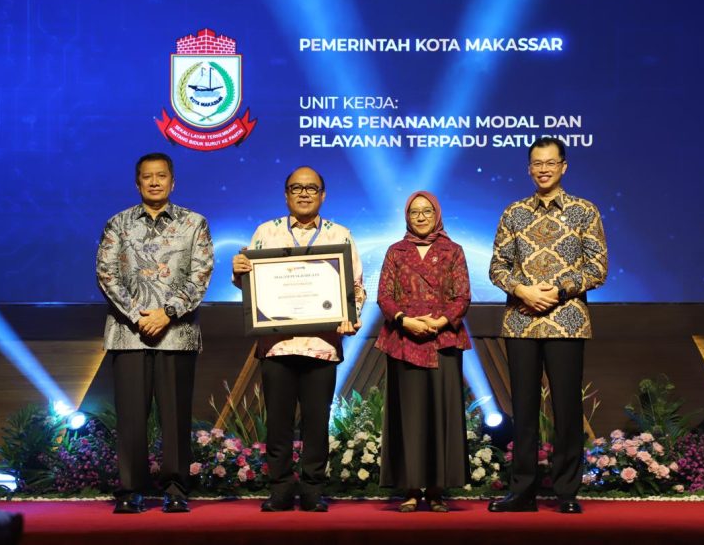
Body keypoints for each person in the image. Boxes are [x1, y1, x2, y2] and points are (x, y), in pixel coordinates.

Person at [231, 166, 365, 512]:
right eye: (296, 188)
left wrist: (350, 316)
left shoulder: (340, 235)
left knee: (316, 423)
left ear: (323, 194)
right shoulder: (266, 233)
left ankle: (312, 490)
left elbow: (355, 287)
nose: (304, 193)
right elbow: (250, 287)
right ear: (286, 194)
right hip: (276, 346)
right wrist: (239, 272)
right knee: (278, 423)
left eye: (311, 188)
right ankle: (279, 489)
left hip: (322, 347)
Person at [488, 137, 607, 514]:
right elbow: (497, 267)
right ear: (529, 169)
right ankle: (522, 492)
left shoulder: (584, 211)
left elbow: (597, 268)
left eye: (550, 163)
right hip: (521, 323)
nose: (543, 169)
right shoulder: (513, 213)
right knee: (523, 409)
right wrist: (522, 290)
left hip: (566, 321)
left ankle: (567, 492)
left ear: (563, 167)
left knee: (567, 408)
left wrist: (558, 290)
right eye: (537, 164)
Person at [96, 152, 213, 514]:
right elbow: (106, 274)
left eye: (161, 176)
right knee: (131, 417)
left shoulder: (194, 223)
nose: (154, 182)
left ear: (172, 182)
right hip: (127, 334)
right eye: (147, 177)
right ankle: (131, 490)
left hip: (176, 335)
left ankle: (176, 489)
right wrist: (138, 316)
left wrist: (167, 313)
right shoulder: (118, 223)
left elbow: (200, 274)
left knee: (175, 417)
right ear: (137, 183)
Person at [375, 191, 472, 513]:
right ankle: (411, 489)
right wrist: (407, 321)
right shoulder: (396, 251)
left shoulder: (453, 251)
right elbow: (384, 296)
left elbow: (462, 296)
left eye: (426, 211)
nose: (420, 217)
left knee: (441, 416)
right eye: (414, 212)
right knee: (410, 417)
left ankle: (437, 490)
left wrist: (439, 323)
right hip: (404, 341)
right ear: (407, 216)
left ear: (437, 214)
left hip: (443, 342)